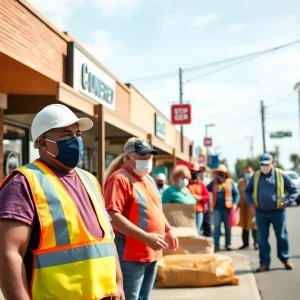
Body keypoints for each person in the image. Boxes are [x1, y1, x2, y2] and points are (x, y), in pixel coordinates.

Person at [0, 104, 124, 300]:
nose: (76, 141)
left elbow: (106, 239)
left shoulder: (90, 180)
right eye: (66, 135)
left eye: (78, 134)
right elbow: (8, 254)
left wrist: (118, 282)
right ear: (42, 144)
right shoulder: (24, 183)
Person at [104, 137, 178, 300]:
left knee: (143, 297)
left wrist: (168, 229)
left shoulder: (149, 179)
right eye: (142, 158)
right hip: (130, 253)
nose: (147, 161)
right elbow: (112, 215)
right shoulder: (119, 179)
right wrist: (145, 236)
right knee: (130, 297)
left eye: (149, 158)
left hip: (151, 251)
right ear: (128, 158)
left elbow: (156, 209)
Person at [244, 153, 298, 272]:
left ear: (272, 163)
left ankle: (285, 259)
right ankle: (264, 263)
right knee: (262, 239)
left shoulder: (281, 174)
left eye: (266, 164)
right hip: (261, 212)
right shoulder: (256, 176)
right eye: (262, 164)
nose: (264, 166)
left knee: (282, 236)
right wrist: (250, 203)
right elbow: (247, 191)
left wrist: (287, 202)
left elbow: (294, 190)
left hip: (278, 212)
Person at [207, 164, 239, 252]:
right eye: (219, 173)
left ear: (225, 174)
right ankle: (216, 245)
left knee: (227, 227)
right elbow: (206, 189)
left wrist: (235, 204)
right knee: (216, 227)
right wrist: (212, 182)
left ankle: (228, 244)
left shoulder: (230, 182)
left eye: (222, 173)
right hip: (217, 208)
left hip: (228, 209)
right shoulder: (214, 183)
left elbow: (236, 194)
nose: (220, 175)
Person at [237, 165, 258, 250]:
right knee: (244, 224)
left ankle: (256, 243)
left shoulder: (256, 181)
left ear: (253, 172)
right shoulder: (241, 182)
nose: (247, 174)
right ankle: (245, 243)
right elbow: (238, 194)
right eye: (246, 172)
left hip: (252, 206)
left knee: (253, 224)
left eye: (249, 172)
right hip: (243, 206)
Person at [187, 162, 210, 235]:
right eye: (192, 171)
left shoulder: (201, 185)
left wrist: (199, 198)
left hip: (198, 211)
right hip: (187, 211)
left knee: (196, 231)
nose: (193, 173)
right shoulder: (186, 184)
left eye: (195, 172)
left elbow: (207, 197)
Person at [199, 165, 213, 237]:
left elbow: (209, 196)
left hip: (206, 206)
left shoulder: (208, 182)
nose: (202, 173)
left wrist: (210, 207)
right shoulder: (196, 181)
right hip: (198, 207)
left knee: (207, 223)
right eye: (200, 171)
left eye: (203, 171)